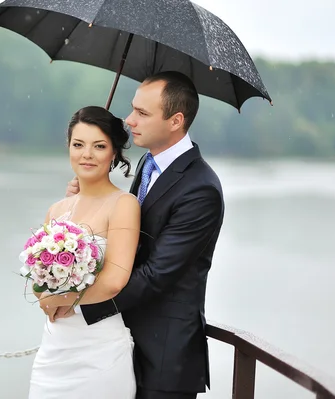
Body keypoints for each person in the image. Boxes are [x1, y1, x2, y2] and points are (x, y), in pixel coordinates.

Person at [40, 71, 225, 399]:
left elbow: (156, 275)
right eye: (132, 109)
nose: (128, 120)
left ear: (175, 120)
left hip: (164, 355)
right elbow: (129, 234)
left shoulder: (201, 189)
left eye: (142, 113)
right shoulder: (148, 164)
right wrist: (86, 198)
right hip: (120, 341)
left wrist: (78, 305)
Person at [27, 105, 141, 399]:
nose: (87, 154)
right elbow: (38, 273)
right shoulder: (58, 209)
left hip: (98, 350)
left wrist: (64, 299)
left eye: (99, 146)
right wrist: (45, 297)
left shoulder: (123, 204)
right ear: (69, 148)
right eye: (78, 145)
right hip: (54, 348)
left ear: (114, 152)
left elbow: (116, 279)